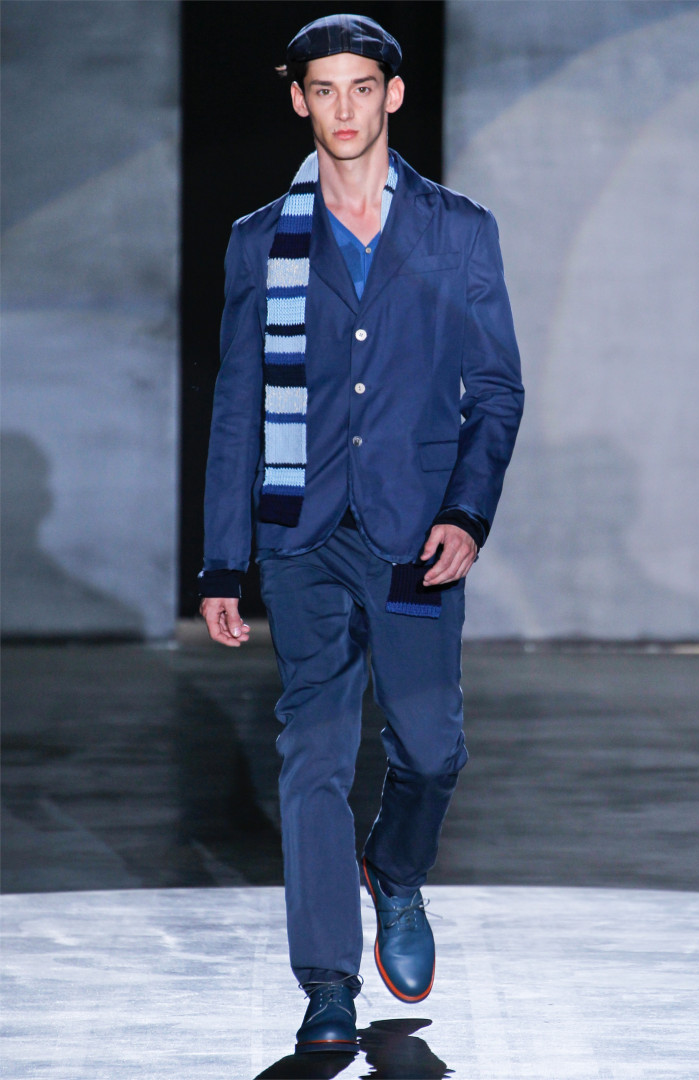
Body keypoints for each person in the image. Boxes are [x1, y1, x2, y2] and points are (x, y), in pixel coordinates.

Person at [198, 13, 523, 1055]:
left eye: (362, 87)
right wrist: (222, 560)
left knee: (431, 749)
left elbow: (496, 390)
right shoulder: (261, 240)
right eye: (324, 89)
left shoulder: (458, 229)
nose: (344, 108)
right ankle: (329, 983)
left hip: (417, 529)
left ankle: (398, 868)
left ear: (393, 95)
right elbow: (238, 406)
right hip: (301, 532)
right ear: (300, 98)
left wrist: (467, 512)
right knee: (315, 755)